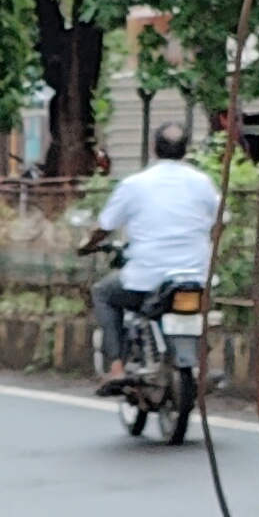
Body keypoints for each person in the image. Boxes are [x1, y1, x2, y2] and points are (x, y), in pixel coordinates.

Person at [86, 120, 220, 389]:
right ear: (186, 149)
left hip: (147, 278)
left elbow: (105, 226)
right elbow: (220, 221)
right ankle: (206, 366)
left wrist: (88, 244)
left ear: (153, 147)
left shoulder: (134, 184)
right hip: (195, 277)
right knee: (207, 313)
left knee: (103, 293)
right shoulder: (203, 183)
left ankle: (116, 367)